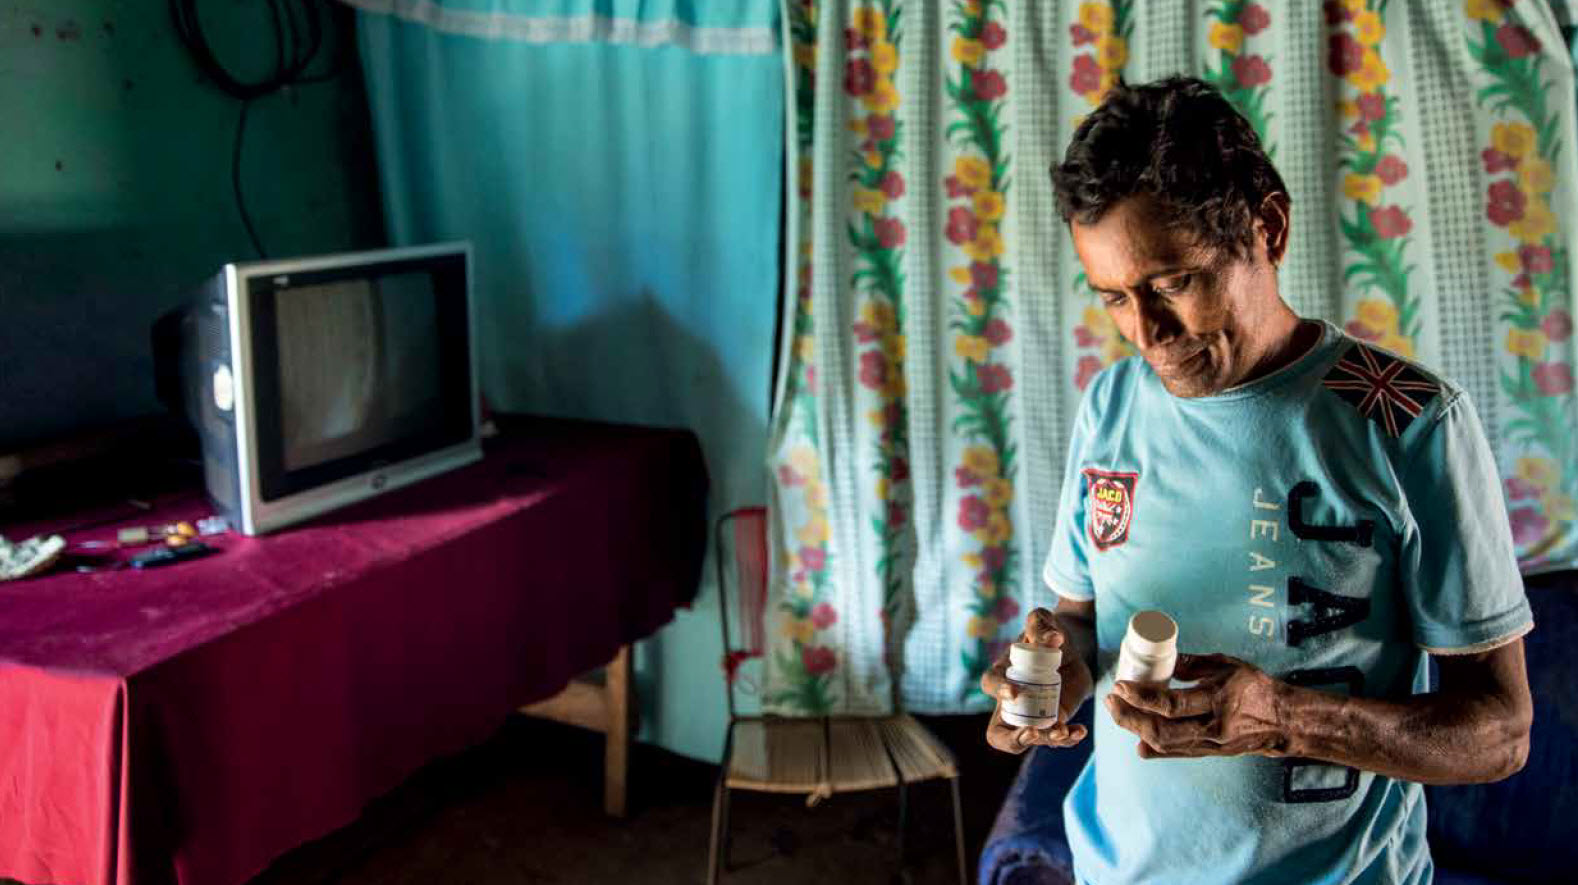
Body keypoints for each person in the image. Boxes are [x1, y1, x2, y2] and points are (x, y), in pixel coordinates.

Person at [982, 76, 1534, 885]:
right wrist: (1047, 675)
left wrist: (1284, 718)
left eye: (1173, 284)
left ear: (1267, 227)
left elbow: (1500, 732)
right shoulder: (1110, 404)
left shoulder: (1409, 421)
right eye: (1114, 299)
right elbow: (1081, 618)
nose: (1148, 333)